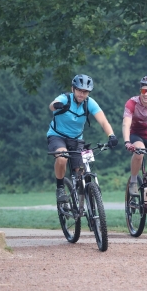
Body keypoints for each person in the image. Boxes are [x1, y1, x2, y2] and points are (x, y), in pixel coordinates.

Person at [47, 74, 118, 203]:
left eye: (85, 91)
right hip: (57, 136)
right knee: (62, 158)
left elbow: (103, 121)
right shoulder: (65, 98)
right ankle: (60, 188)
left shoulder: (89, 102)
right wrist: (56, 105)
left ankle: (81, 205)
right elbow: (51, 105)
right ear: (73, 89)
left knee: (81, 172)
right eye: (79, 90)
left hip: (76, 139)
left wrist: (111, 135)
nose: (82, 94)